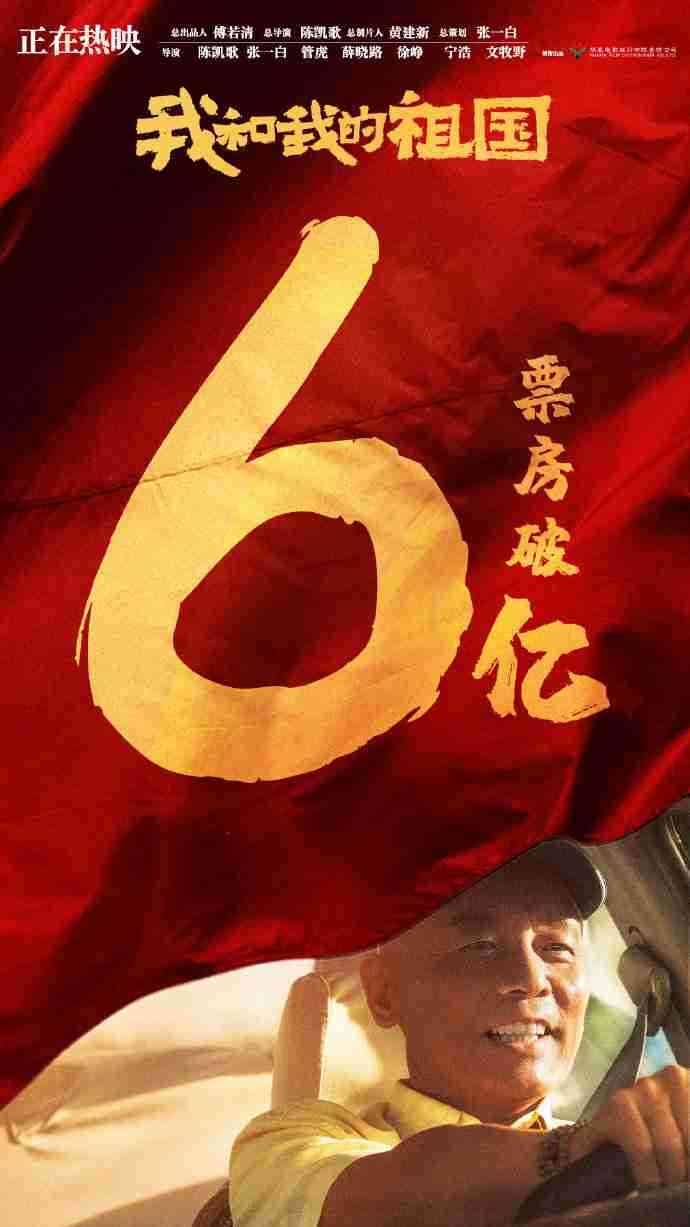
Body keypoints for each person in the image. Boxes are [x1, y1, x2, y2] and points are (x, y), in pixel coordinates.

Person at [230, 841, 689, 1227]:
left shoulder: (636, 1145)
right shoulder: (284, 1145)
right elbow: (403, 1191)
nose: (532, 979)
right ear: (384, 992)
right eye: (480, 946)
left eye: (555, 948)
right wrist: (575, 1153)